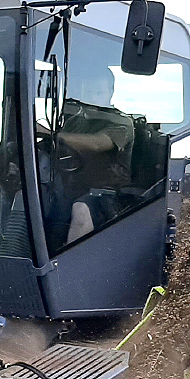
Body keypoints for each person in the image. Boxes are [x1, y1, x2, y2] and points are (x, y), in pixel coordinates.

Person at [54, 60, 135, 243]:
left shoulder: (121, 122)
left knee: (81, 211)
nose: (91, 98)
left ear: (111, 92)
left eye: (98, 93)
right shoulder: (75, 121)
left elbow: (97, 144)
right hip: (72, 188)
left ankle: (73, 259)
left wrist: (53, 134)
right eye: (87, 93)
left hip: (108, 195)